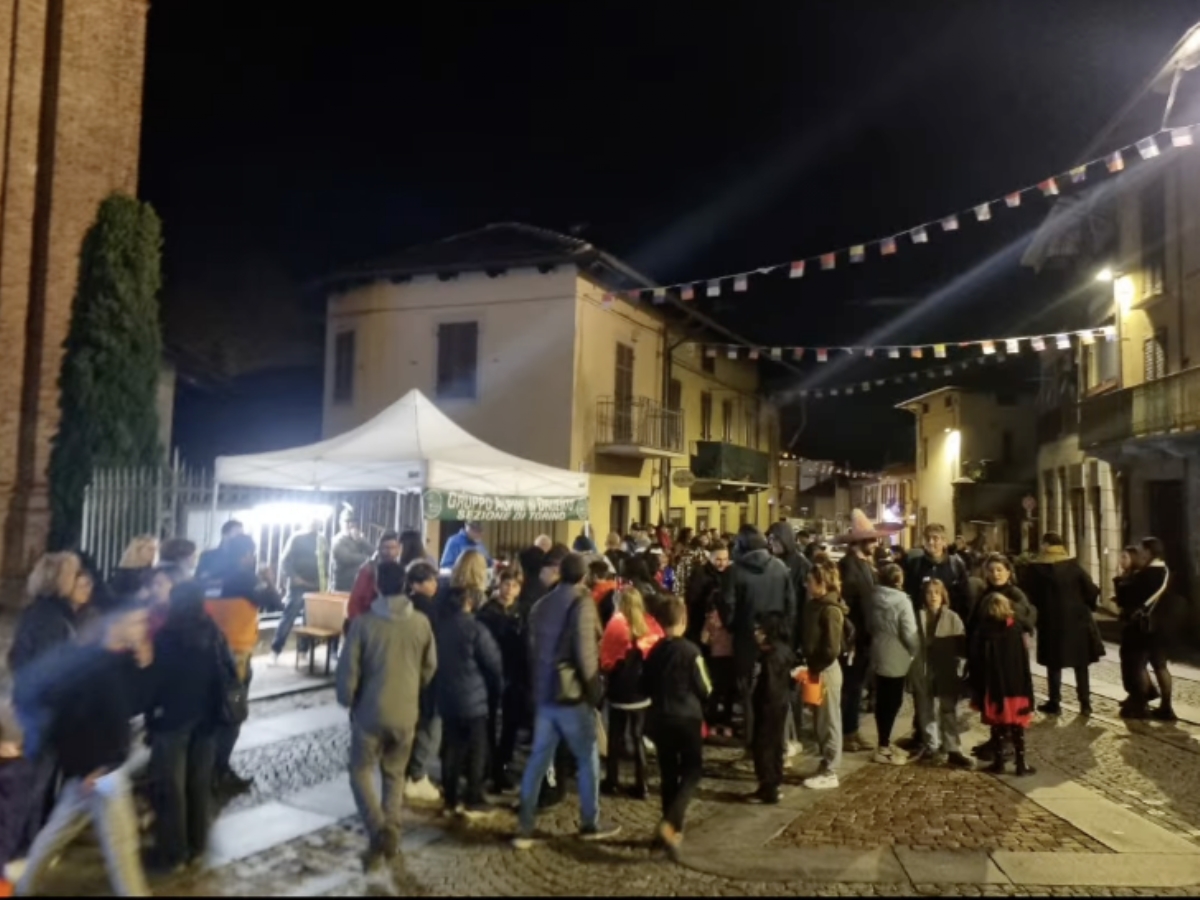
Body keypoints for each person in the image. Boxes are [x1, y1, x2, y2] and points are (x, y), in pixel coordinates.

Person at [13, 606, 154, 897]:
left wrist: (143, 663)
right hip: (102, 773)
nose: (143, 627)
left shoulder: (117, 660)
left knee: (58, 831)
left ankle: (24, 887)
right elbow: (69, 722)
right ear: (118, 624)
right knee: (122, 847)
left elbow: (132, 705)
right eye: (136, 620)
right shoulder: (92, 668)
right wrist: (91, 767)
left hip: (99, 770)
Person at [513, 552, 619, 849]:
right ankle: (589, 822)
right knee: (587, 759)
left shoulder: (541, 605)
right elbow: (585, 653)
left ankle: (524, 826)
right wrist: (594, 690)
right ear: (584, 576)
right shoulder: (582, 604)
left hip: (544, 691)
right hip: (570, 694)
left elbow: (532, 650)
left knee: (538, 759)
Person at [337, 560, 437, 872]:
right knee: (394, 773)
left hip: (369, 711)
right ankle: (391, 829)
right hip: (406, 713)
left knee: (360, 771)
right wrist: (413, 688)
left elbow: (348, 673)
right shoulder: (420, 623)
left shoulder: (364, 624)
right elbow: (430, 666)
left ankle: (378, 827)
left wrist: (348, 698)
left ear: (378, 585)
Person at [145, 581, 233, 872]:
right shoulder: (213, 632)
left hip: (173, 719)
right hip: (207, 718)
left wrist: (151, 717)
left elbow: (156, 681)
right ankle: (198, 845)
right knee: (198, 783)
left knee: (172, 787)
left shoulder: (167, 636)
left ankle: (174, 851)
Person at [203, 534, 283, 795]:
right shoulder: (247, 579)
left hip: (206, 655)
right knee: (233, 714)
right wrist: (270, 579)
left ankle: (203, 770)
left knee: (209, 715)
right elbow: (275, 603)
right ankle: (220, 771)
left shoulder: (208, 576)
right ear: (246, 554)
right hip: (235, 659)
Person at [432, 550, 502, 818]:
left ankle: (450, 798)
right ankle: (473, 796)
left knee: (451, 746)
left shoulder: (442, 623)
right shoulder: (475, 628)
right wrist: (497, 685)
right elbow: (493, 662)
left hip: (447, 692)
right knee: (476, 747)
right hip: (473, 696)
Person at [641, 595, 710, 856]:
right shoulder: (691, 651)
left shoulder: (654, 651)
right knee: (692, 771)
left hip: (660, 717)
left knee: (668, 773)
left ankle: (671, 831)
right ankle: (671, 821)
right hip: (687, 717)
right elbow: (705, 687)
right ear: (683, 620)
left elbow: (645, 685)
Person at [722, 529, 795, 748]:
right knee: (774, 694)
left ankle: (753, 747)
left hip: (746, 641)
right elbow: (791, 606)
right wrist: (781, 633)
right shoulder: (780, 568)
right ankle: (776, 745)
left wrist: (738, 628)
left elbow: (728, 607)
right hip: (775, 640)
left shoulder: (734, 572)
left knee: (748, 696)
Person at [1022, 533, 1103, 716]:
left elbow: (1027, 595)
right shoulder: (1074, 567)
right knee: (1081, 664)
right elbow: (1091, 590)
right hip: (1077, 621)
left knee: (1054, 663)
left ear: (1045, 545)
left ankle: (1054, 702)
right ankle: (1085, 703)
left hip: (1050, 621)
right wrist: (1087, 606)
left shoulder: (1035, 569)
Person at [599, 587, 664, 799]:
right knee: (637, 736)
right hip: (642, 691)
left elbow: (606, 660)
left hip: (620, 690)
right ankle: (642, 784)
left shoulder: (616, 626)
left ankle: (612, 780)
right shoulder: (651, 625)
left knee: (615, 735)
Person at [969, 592, 1036, 776]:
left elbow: (976, 659)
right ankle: (1021, 764)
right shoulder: (1015, 629)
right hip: (1016, 687)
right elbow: (1023, 661)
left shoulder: (983, 631)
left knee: (997, 726)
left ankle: (999, 762)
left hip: (993, 688)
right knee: (1017, 727)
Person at [910, 579, 971, 768]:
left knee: (948, 708)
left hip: (945, 668)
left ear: (943, 595)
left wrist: (960, 667)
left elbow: (961, 646)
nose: (933, 596)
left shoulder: (952, 617)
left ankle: (952, 747)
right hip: (924, 667)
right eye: (929, 593)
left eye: (936, 592)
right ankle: (932, 746)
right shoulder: (917, 616)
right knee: (925, 708)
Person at [799, 554, 847, 790]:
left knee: (829, 721)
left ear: (822, 583)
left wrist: (813, 666)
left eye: (810, 581)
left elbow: (831, 648)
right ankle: (826, 761)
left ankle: (831, 769)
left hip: (825, 670)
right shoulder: (813, 606)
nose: (807, 585)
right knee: (819, 720)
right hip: (816, 669)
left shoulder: (830, 610)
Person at [400, 562, 446, 804]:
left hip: (407, 677)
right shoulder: (428, 609)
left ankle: (409, 772)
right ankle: (417, 776)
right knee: (430, 728)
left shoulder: (404, 606)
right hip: (426, 678)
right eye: (429, 580)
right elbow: (432, 650)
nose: (434, 584)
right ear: (416, 584)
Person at [477, 569, 527, 792]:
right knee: (490, 725)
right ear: (498, 585)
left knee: (510, 724)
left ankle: (502, 767)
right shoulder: (487, 612)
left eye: (514, 586)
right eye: (506, 585)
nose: (509, 590)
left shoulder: (521, 611)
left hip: (514, 674)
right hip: (491, 674)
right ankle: (488, 767)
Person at [835, 511, 879, 754]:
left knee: (857, 687)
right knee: (850, 687)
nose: (875, 543)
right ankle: (846, 732)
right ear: (859, 542)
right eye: (871, 540)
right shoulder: (847, 567)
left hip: (865, 638)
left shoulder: (864, 565)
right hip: (854, 638)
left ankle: (853, 729)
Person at [8, 552, 92, 676]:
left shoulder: (48, 612)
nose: (85, 581)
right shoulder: (49, 620)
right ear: (60, 581)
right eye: (77, 574)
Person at [1117, 537, 1174, 721]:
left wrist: (1121, 580)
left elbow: (1126, 600)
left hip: (1142, 628)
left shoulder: (1144, 575)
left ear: (1149, 552)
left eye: (1141, 550)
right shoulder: (1166, 572)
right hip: (1163, 626)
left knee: (1138, 666)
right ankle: (1166, 707)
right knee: (1160, 666)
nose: (1139, 553)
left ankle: (1140, 705)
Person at [868, 563, 919, 766]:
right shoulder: (901, 601)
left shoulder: (873, 596)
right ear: (898, 580)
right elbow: (909, 632)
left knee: (882, 700)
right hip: (897, 655)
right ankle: (883, 747)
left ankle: (884, 742)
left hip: (878, 650)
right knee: (892, 701)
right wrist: (915, 652)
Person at [748, 612, 793, 804]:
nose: (756, 633)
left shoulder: (771, 657)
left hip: (769, 707)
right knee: (774, 746)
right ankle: (772, 783)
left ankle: (768, 787)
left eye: (759, 630)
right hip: (779, 705)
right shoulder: (782, 652)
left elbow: (770, 687)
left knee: (765, 746)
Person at [273, 519, 328, 663]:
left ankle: (303, 651)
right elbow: (285, 560)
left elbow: (326, 561)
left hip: (315, 586)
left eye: (318, 522)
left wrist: (324, 584)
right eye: (313, 522)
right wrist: (294, 577)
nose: (315, 524)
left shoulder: (322, 539)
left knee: (309, 620)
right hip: (298, 586)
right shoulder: (297, 538)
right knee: (289, 617)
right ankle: (275, 650)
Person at [904, 524, 970, 617]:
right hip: (922, 622)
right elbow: (909, 595)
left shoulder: (956, 565)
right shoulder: (915, 565)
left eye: (935, 538)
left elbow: (964, 597)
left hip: (949, 623)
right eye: (927, 538)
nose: (931, 542)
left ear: (944, 542)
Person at [347, 531, 403, 625]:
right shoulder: (367, 570)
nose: (389, 552)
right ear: (379, 549)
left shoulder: (400, 571)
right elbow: (355, 603)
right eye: (386, 548)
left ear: (399, 550)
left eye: (393, 548)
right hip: (369, 622)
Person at [106, 536, 158, 613]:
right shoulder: (124, 574)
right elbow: (114, 598)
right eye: (150, 549)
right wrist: (137, 597)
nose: (154, 552)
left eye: (155, 549)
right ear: (137, 551)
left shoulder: (156, 572)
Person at [330, 510, 373, 593]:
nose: (350, 525)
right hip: (342, 587)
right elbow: (347, 558)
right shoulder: (337, 540)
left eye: (352, 522)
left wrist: (362, 540)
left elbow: (374, 552)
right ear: (341, 523)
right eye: (347, 521)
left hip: (357, 586)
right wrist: (368, 559)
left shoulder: (358, 539)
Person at [196, 520, 244, 585]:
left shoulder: (242, 558)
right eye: (237, 534)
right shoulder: (208, 556)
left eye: (241, 535)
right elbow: (200, 579)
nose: (240, 537)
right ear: (225, 535)